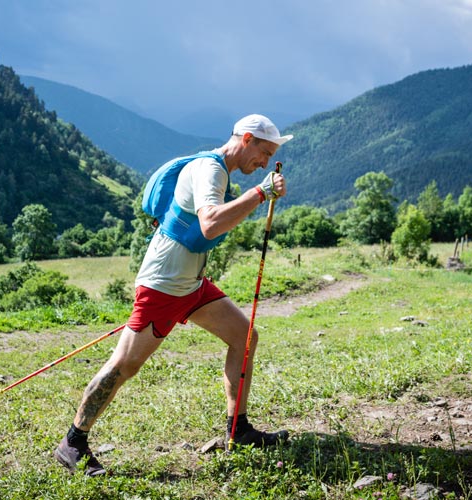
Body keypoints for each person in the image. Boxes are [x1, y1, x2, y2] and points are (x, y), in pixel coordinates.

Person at [54, 114, 293, 476]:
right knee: (125, 366)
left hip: (192, 284)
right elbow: (210, 224)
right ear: (247, 139)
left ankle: (238, 430)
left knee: (244, 337)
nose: (264, 161)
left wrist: (258, 193)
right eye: (264, 152)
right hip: (163, 285)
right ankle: (72, 443)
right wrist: (260, 193)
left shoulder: (219, 170)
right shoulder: (210, 170)